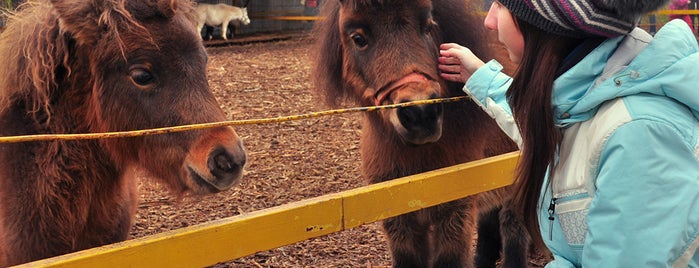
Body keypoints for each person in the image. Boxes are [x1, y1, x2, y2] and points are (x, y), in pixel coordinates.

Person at [438, 0, 699, 267]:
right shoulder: (589, 100)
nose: (489, 20)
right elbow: (551, 126)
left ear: (551, 23)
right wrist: (482, 77)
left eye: (503, 6)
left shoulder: (637, 137)